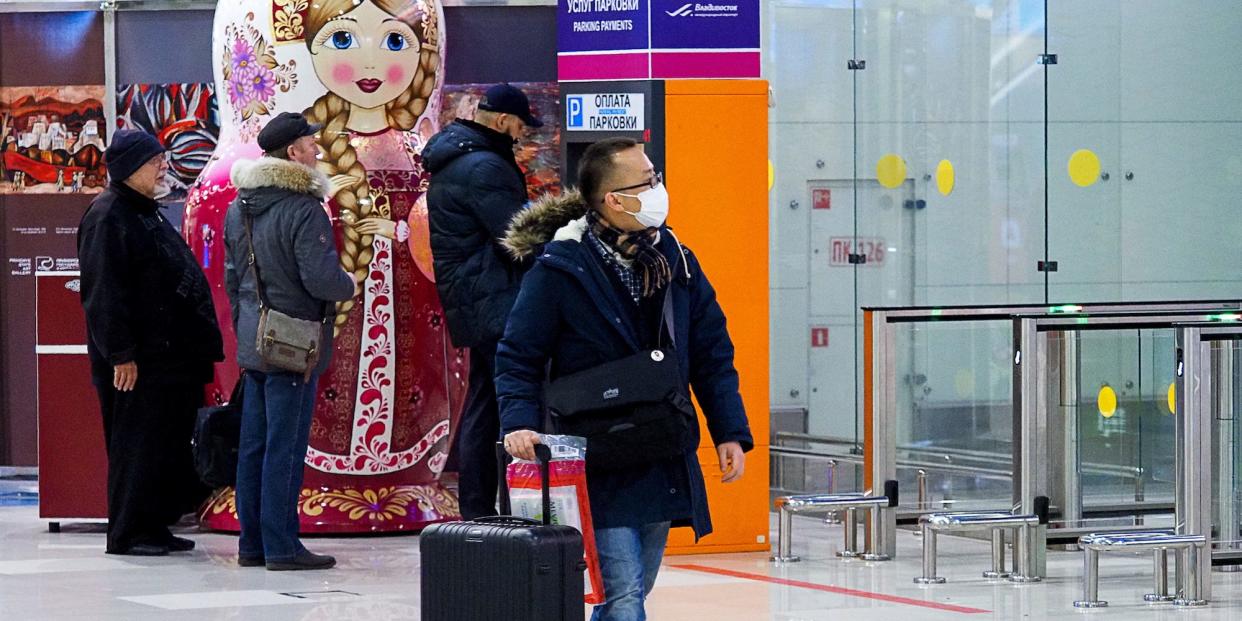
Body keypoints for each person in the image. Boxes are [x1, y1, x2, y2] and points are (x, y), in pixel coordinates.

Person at [497, 137, 753, 620]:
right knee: (623, 592)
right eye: (648, 180)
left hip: (661, 447)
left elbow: (712, 353)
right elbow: (518, 356)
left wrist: (730, 431)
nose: (659, 188)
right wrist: (518, 423)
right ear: (614, 200)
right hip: (597, 454)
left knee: (639, 583)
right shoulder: (559, 269)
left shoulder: (676, 260)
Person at [78, 128, 224, 556]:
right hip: (137, 362)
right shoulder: (108, 215)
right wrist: (121, 352)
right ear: (128, 169)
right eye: (154, 160)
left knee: (164, 444)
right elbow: (104, 291)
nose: (163, 165)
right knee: (136, 445)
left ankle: (155, 525)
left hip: (168, 359)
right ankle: (129, 531)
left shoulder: (144, 209)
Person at [224, 112, 355, 570]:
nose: (317, 150)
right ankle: (282, 546)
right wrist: (350, 284)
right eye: (310, 144)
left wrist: (249, 325)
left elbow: (232, 278)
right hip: (293, 343)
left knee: (255, 445)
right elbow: (321, 280)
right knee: (286, 446)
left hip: (253, 340)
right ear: (293, 153)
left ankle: (251, 544)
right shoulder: (304, 209)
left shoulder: (238, 207)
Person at [424, 83, 543, 519]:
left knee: (484, 402)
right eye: (518, 123)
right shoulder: (484, 167)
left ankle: (478, 507)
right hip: (497, 298)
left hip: (474, 298)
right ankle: (512, 506)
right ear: (500, 120)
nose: (522, 133)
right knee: (510, 401)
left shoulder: (459, 159)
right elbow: (519, 236)